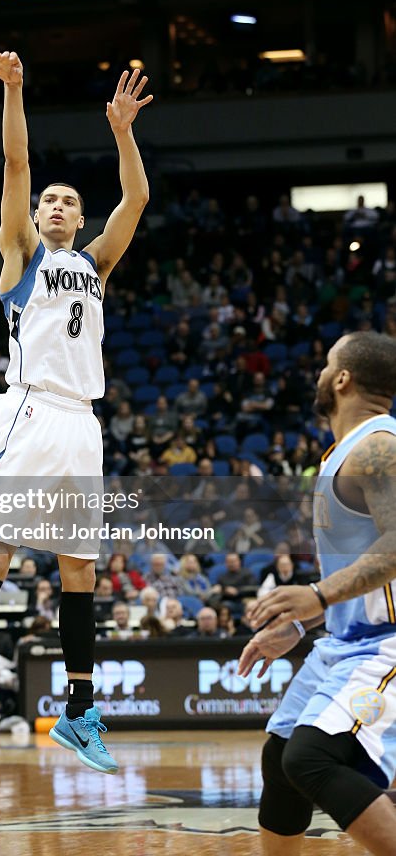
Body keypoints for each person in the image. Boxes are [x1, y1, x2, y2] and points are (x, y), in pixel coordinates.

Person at [0, 49, 152, 773]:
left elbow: (134, 203)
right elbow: (14, 164)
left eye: (68, 200)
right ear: (35, 218)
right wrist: (14, 90)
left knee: (78, 571)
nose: (57, 205)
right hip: (28, 411)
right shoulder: (21, 254)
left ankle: (77, 713)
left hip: (80, 423)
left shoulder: (94, 264)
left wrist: (122, 132)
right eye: (49, 201)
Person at [238, 331, 396, 854]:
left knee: (311, 758)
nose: (321, 373)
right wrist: (303, 623)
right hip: (345, 643)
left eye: (328, 363)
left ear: (343, 379)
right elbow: (363, 565)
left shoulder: (378, 445)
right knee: (280, 758)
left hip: (387, 644)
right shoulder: (343, 453)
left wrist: (318, 597)